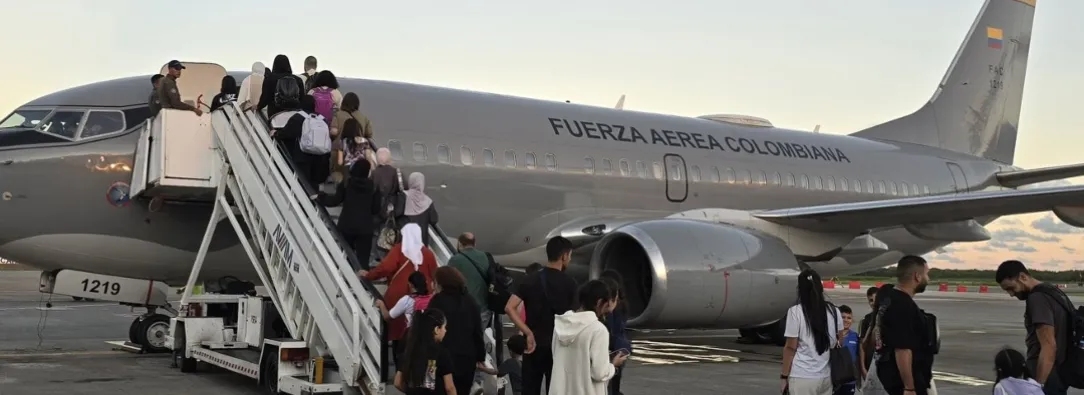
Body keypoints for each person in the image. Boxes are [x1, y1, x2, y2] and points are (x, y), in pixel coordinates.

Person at [504, 236, 579, 395]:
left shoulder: (530, 279)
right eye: (570, 256)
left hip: (533, 345)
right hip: (558, 346)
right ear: (564, 256)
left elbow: (510, 308)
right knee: (556, 389)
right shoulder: (570, 283)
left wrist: (527, 332)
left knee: (530, 389)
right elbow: (575, 317)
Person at [362, 223, 440, 365]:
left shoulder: (399, 250)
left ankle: (400, 370)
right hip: (423, 296)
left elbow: (385, 268)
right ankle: (426, 378)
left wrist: (369, 275)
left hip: (399, 295)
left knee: (399, 333)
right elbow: (435, 274)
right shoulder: (427, 253)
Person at [995, 260, 1072, 394]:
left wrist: (1037, 386)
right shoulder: (1054, 292)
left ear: (1023, 277)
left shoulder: (1037, 298)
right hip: (1060, 371)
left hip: (1047, 375)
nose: (1011, 294)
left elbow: (1049, 346)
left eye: (1011, 288)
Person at [548, 279, 627, 395]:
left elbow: (557, 357)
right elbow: (599, 372)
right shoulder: (598, 330)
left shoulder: (560, 325)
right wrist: (613, 366)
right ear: (599, 302)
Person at [874, 255, 935, 395]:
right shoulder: (903, 306)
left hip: (887, 370)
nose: (928, 279)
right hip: (903, 380)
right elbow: (902, 350)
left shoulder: (887, 296)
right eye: (927, 274)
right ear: (917, 277)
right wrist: (909, 388)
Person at [780, 269, 844, 395]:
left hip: (802, 376)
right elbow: (840, 339)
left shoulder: (795, 312)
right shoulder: (834, 311)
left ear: (800, 289)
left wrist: (784, 376)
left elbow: (791, 348)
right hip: (826, 376)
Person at [427, 266, 488, 395]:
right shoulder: (470, 301)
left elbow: (427, 330)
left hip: (438, 359)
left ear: (440, 282)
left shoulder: (436, 301)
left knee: (435, 390)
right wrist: (480, 356)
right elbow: (477, 332)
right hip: (466, 359)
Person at [313, 159, 381, 270]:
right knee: (363, 260)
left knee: (345, 256)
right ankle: (362, 284)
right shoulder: (373, 187)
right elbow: (375, 209)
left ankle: (345, 279)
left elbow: (335, 200)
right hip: (365, 228)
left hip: (347, 225)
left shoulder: (346, 183)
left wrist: (320, 197)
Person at [272, 95, 329, 190]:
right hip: (320, 156)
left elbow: (287, 133)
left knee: (303, 184)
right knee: (315, 184)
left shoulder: (298, 117)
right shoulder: (322, 119)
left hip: (303, 155)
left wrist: (275, 133)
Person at [395, 309, 456, 395]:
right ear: (436, 329)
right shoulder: (441, 353)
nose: (445, 331)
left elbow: (397, 382)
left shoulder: (409, 351)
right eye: (444, 327)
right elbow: (449, 388)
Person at [448, 232, 495, 329]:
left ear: (460, 243)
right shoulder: (485, 256)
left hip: (463, 309)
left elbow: (448, 283)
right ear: (475, 243)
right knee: (478, 339)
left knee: (464, 340)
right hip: (484, 309)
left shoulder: (455, 260)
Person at [598, 271, 631, 395]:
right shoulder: (623, 305)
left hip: (611, 350)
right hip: (620, 348)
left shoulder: (611, 309)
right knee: (615, 382)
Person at [402, 172, 439, 245]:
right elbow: (434, 220)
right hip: (421, 241)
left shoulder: (403, 196)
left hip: (404, 239)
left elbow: (396, 213)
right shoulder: (428, 201)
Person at [837, 305, 860, 395]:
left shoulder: (856, 337)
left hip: (849, 381)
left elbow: (859, 358)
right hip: (833, 379)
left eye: (849, 318)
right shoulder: (831, 335)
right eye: (843, 317)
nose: (846, 320)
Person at [859, 286, 879, 373]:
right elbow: (862, 346)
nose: (873, 303)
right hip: (870, 364)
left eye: (876, 299)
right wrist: (863, 368)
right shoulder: (866, 320)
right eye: (871, 300)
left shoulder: (890, 317)